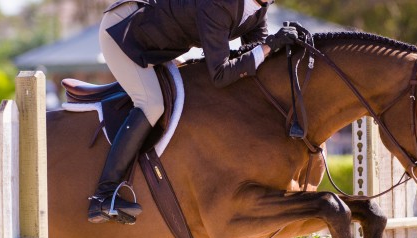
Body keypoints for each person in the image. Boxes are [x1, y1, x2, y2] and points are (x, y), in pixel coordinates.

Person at [89, 0, 299, 224]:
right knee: (152, 104)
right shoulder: (220, 4)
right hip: (125, 31)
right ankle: (103, 196)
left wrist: (277, 47)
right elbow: (221, 74)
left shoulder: (259, 10)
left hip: (159, 41)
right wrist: (268, 46)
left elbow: (254, 62)